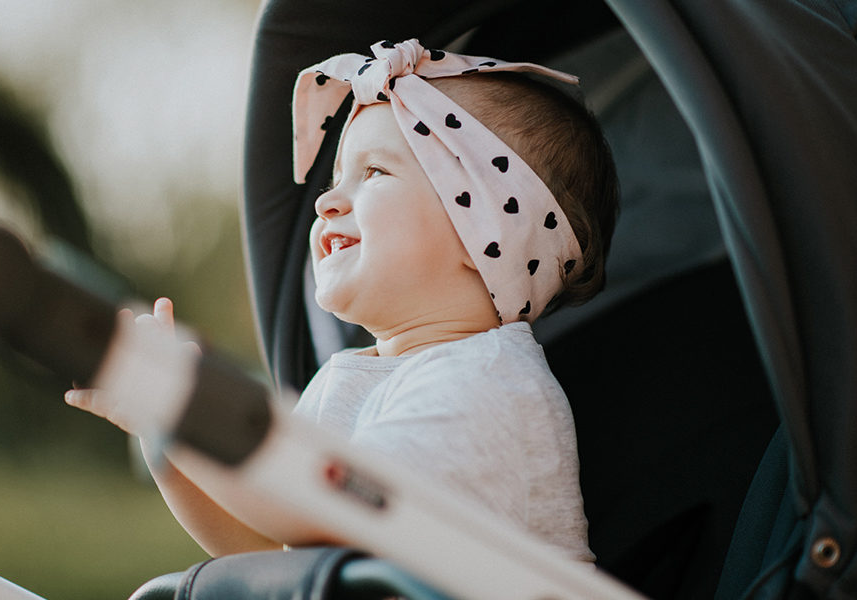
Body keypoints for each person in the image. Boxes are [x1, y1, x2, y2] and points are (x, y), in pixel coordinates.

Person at [65, 39, 618, 563]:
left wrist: (180, 404)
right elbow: (272, 556)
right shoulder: (348, 380)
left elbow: (319, 515)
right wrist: (165, 436)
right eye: (335, 178)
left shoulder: (487, 386)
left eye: (373, 172)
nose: (327, 200)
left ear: (485, 233)